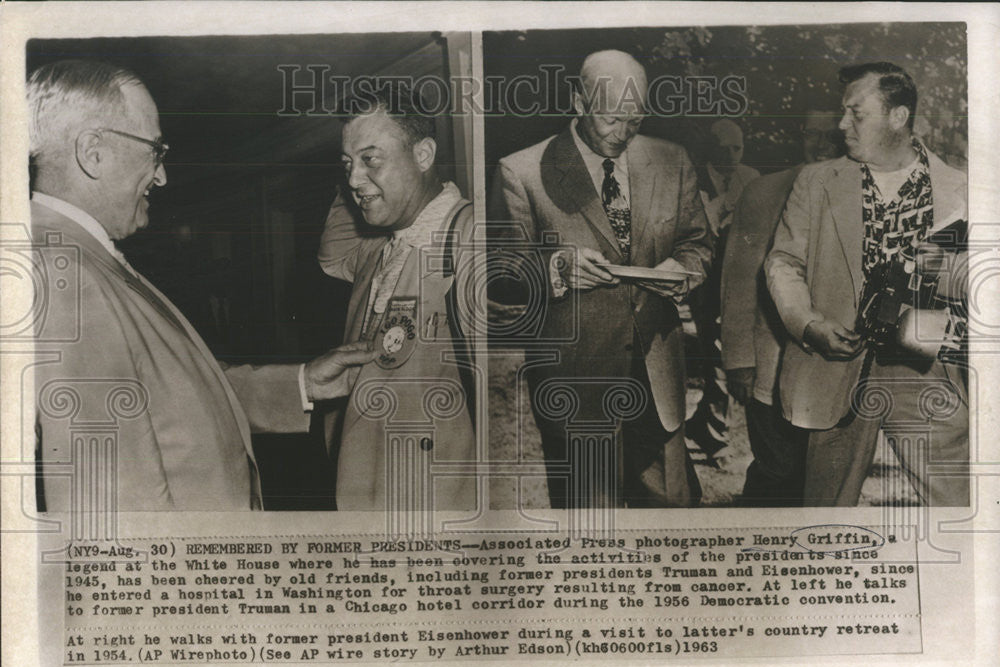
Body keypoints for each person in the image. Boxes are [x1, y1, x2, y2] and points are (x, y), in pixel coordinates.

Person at [29, 60, 373, 512]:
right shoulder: (64, 275)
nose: (162, 176)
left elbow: (174, 402)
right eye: (155, 150)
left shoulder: (82, 259)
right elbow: (114, 515)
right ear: (93, 152)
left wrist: (303, 384)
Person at [489, 50, 712, 508]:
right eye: (611, 119)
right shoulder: (521, 171)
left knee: (674, 521)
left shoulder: (673, 160)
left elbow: (699, 243)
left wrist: (683, 270)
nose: (623, 133)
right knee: (590, 531)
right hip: (575, 385)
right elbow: (501, 273)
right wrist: (556, 268)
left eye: (635, 120)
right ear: (578, 101)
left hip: (658, 376)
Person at [764, 62, 968, 506]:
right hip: (836, 363)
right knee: (824, 517)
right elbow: (783, 263)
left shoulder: (961, 189)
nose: (842, 125)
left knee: (959, 510)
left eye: (856, 114)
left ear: (898, 116)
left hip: (926, 372)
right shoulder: (817, 181)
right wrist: (810, 324)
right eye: (844, 113)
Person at [316, 87, 477, 511]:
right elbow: (331, 254)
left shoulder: (471, 237)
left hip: (435, 509)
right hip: (362, 492)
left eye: (372, 158)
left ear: (423, 156)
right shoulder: (375, 251)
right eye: (347, 164)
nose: (352, 178)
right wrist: (361, 170)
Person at [720, 109, 843, 506]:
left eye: (832, 137)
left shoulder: (861, 192)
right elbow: (738, 281)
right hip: (771, 364)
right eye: (812, 134)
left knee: (822, 479)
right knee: (776, 471)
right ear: (799, 135)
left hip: (836, 367)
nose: (822, 146)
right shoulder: (764, 192)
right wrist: (739, 358)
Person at [685, 119, 761, 462]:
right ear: (710, 148)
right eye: (724, 148)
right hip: (705, 281)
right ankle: (711, 428)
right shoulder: (692, 180)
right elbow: (698, 229)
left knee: (725, 351)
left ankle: (708, 426)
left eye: (737, 148)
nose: (731, 155)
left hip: (741, 280)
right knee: (715, 351)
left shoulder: (752, 178)